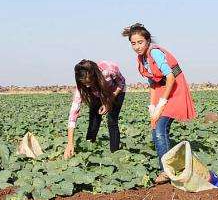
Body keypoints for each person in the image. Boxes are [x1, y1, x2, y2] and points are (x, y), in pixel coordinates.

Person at [122, 22, 197, 184]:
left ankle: (166, 171)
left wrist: (162, 103)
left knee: (160, 129)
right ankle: (171, 166)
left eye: (140, 42)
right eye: (133, 43)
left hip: (174, 89)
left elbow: (170, 77)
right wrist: (152, 106)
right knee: (156, 125)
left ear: (147, 40)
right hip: (161, 90)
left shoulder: (154, 53)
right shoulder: (142, 59)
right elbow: (152, 83)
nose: (137, 46)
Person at [64, 59, 126, 157]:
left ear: (94, 75)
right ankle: (89, 148)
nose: (87, 85)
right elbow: (73, 113)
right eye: (84, 83)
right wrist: (70, 143)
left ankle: (115, 153)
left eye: (89, 82)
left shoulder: (110, 70)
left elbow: (121, 83)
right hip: (97, 92)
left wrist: (109, 102)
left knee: (112, 120)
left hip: (115, 91)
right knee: (94, 119)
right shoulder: (84, 86)